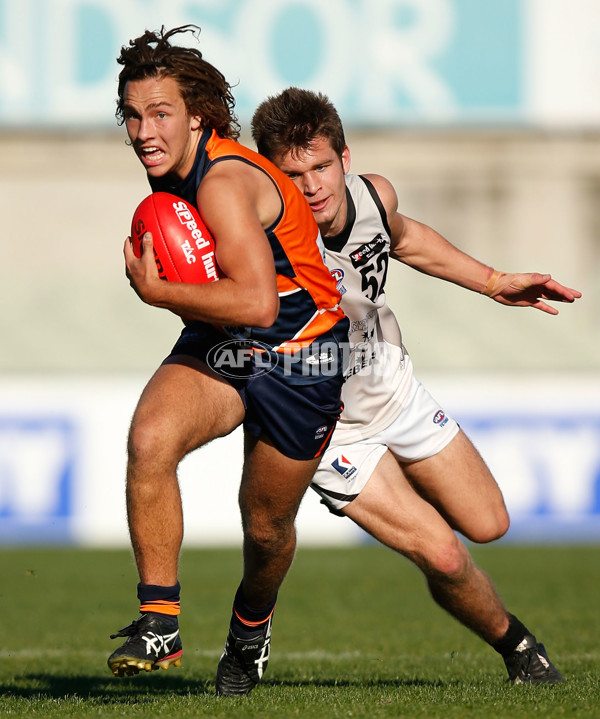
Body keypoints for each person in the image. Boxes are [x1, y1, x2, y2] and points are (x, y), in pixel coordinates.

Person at [251, 87, 582, 686]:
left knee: (488, 525)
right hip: (329, 430)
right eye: (290, 174)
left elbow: (402, 238)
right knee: (446, 554)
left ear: (345, 159)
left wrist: (493, 281)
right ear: (269, 178)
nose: (311, 187)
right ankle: (518, 647)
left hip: (395, 391)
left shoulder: (374, 196)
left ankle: (407, 503)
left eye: (321, 167)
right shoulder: (255, 241)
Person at [107, 28, 350, 697]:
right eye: (133, 115)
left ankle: (250, 630)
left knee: (265, 529)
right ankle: (159, 621)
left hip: (304, 353)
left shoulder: (222, 181)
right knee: (150, 437)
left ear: (199, 118)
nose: (144, 131)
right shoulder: (174, 177)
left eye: (160, 115)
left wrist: (160, 293)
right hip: (233, 335)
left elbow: (260, 302)